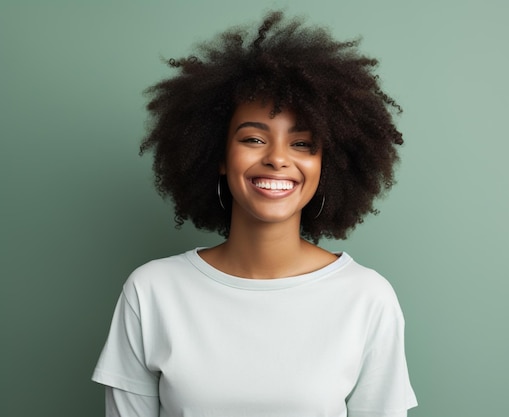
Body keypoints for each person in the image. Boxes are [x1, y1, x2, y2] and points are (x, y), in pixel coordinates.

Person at [92, 10, 417, 417]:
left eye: (302, 144)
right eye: (253, 138)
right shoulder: (152, 292)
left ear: (326, 164)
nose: (277, 159)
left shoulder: (366, 298)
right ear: (218, 154)